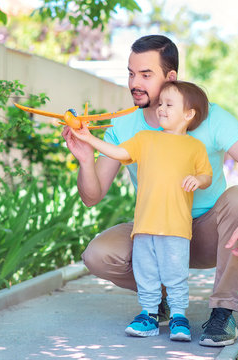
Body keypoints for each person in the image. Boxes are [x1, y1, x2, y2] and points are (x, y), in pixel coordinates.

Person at [62, 34, 238, 347]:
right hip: (153, 229)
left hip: (206, 233)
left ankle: (223, 311)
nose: (135, 83)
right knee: (97, 254)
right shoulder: (124, 127)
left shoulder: (209, 116)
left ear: (170, 77)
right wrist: (85, 160)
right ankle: (158, 299)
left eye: (146, 75)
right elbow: (92, 196)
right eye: (131, 73)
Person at [70, 80, 213, 342]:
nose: (161, 109)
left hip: (176, 227)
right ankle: (148, 315)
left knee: (175, 273)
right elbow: (118, 151)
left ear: (189, 114)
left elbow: (206, 175)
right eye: (161, 104)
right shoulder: (145, 139)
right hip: (145, 225)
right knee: (145, 272)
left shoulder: (195, 147)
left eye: (170, 105)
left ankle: (179, 317)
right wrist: (88, 139)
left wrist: (198, 180)